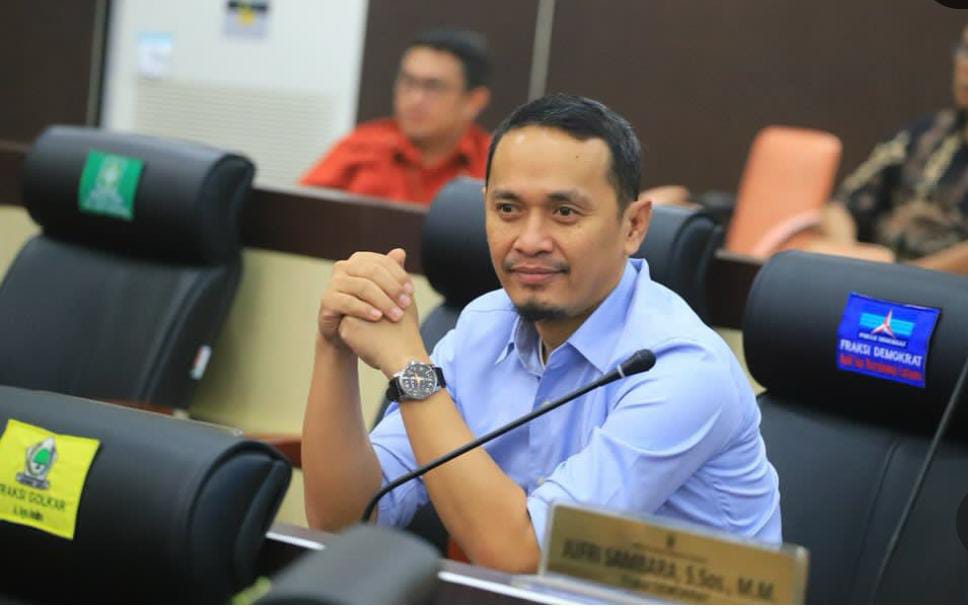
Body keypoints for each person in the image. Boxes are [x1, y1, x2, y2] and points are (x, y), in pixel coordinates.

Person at [302, 94, 781, 573]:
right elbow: (343, 520)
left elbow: (523, 557)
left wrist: (411, 371)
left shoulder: (682, 368)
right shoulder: (482, 328)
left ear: (633, 226)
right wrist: (333, 348)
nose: (529, 241)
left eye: (565, 212)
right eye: (507, 208)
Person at [823, 24, 968, 274]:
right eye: (965, 50)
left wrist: (901, 279)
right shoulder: (925, 133)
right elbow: (839, 208)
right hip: (878, 274)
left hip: (943, 287)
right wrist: (847, 259)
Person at [299, 28, 491, 204]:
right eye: (408, 82)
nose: (415, 99)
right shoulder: (361, 146)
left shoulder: (493, 162)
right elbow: (297, 213)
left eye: (433, 87)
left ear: (474, 101)